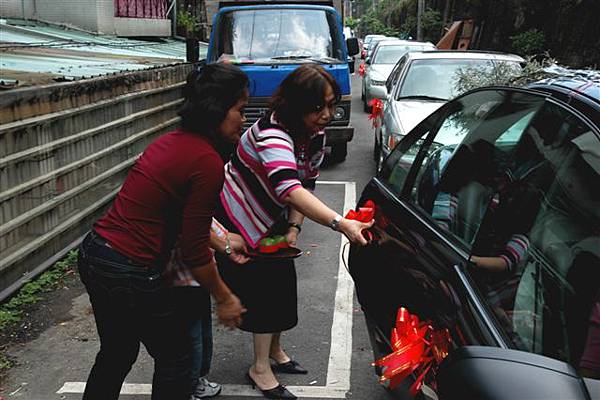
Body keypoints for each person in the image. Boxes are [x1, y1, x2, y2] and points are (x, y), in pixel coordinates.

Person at [77, 63, 249, 400]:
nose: (243, 120)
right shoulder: (205, 160)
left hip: (96, 254)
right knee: (176, 358)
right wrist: (225, 297)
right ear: (215, 108)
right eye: (240, 110)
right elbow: (194, 250)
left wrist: (224, 241)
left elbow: (179, 223)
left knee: (117, 352)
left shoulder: (172, 141)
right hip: (131, 270)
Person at [214, 64, 373, 399]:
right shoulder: (272, 134)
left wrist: (294, 227)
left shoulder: (313, 134)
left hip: (273, 215)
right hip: (237, 215)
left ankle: (274, 351)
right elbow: (288, 188)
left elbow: (306, 185)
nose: (327, 114)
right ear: (295, 105)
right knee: (265, 288)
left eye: (331, 105)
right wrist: (340, 223)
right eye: (318, 107)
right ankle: (259, 368)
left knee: (282, 281)